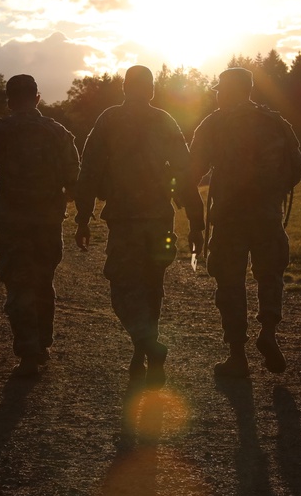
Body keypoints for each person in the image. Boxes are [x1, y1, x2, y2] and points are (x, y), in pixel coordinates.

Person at [74, 65, 205, 387]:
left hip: (126, 220)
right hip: (160, 218)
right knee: (152, 286)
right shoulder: (164, 120)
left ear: (124, 88)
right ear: (150, 90)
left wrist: (82, 217)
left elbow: (88, 169)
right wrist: (197, 222)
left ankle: (147, 345)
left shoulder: (109, 119)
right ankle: (142, 351)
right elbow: (186, 172)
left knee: (121, 288)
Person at [188, 67, 301, 378]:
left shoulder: (214, 123)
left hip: (229, 216)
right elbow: (297, 167)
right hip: (267, 214)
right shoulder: (276, 122)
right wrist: (273, 192)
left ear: (229, 91)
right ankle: (268, 331)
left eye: (219, 89)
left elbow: (192, 169)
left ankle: (237, 354)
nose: (216, 93)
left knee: (230, 281)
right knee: (269, 276)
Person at [0, 74, 80, 378]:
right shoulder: (57, 132)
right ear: (37, 98)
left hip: (11, 221)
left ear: (9, 101)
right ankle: (41, 343)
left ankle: (29, 350)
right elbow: (74, 173)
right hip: (47, 222)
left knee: (18, 283)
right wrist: (66, 198)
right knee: (43, 281)